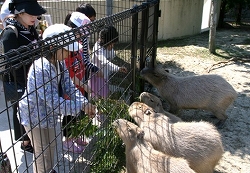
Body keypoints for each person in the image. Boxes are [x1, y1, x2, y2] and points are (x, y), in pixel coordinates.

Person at [18, 23, 97, 173]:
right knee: (42, 152)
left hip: (48, 115)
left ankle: (48, 170)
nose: (70, 54)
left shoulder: (59, 64)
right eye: (67, 49)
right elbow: (54, 102)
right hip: (33, 116)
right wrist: (81, 107)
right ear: (53, 47)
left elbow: (70, 87)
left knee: (52, 146)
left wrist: (85, 103)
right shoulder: (40, 68)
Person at [1, 0, 46, 153]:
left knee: (31, 109)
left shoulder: (31, 28)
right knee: (20, 110)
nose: (35, 16)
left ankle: (31, 136)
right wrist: (27, 84)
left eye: (36, 13)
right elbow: (14, 64)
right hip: (19, 80)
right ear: (19, 12)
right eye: (31, 13)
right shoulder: (10, 33)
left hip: (33, 75)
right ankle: (25, 142)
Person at [91, 25, 127, 98]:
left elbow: (113, 55)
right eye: (112, 44)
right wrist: (118, 68)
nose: (113, 46)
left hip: (104, 76)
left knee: (104, 96)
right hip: (97, 77)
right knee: (99, 97)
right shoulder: (98, 48)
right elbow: (104, 62)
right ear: (107, 41)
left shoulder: (107, 46)